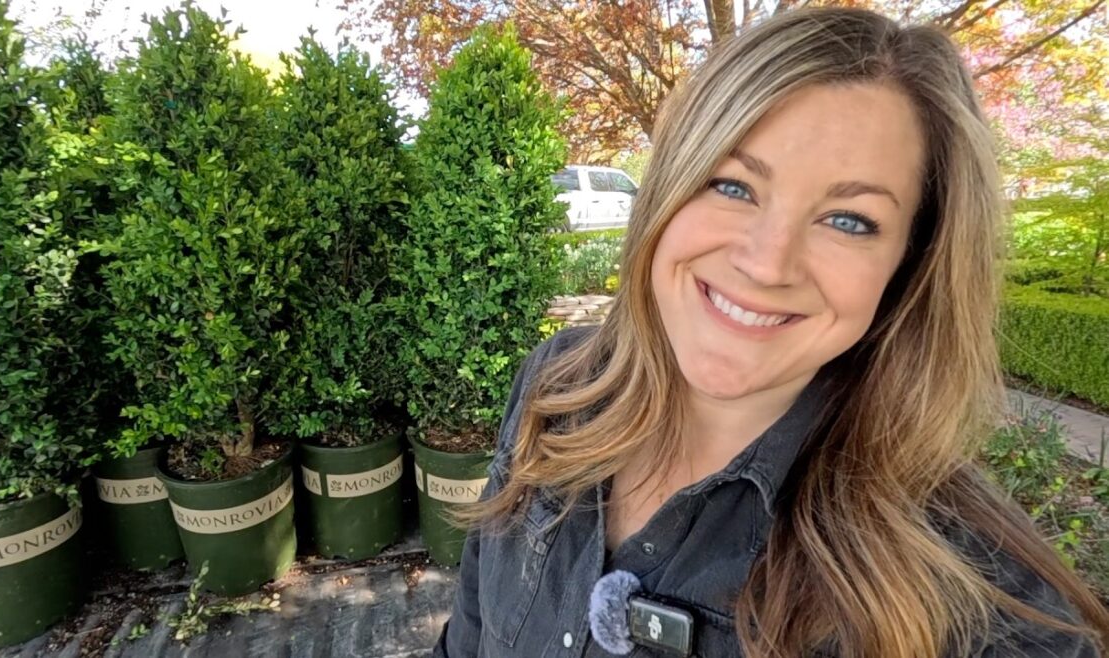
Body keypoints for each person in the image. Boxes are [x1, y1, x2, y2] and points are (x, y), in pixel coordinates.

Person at [433, 7, 1109, 658]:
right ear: (668, 190)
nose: (766, 263)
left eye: (848, 221)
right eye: (733, 186)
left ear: (910, 264)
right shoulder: (559, 386)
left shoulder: (976, 595)